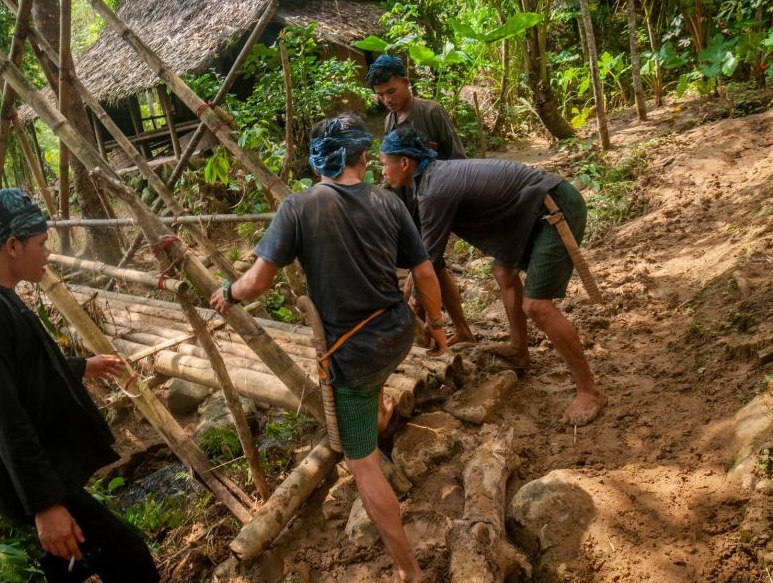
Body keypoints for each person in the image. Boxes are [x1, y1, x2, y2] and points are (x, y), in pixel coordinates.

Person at [210, 114, 448, 583]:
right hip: (397, 334)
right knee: (370, 390)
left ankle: (410, 572)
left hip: (352, 354)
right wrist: (436, 325)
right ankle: (377, 414)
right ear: (363, 156)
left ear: (317, 162)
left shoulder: (298, 208)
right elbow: (423, 274)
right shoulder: (390, 202)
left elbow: (257, 282)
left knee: (360, 462)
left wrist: (228, 292)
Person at [0, 188, 159, 582]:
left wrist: (81, 366)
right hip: (29, 479)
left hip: (36, 469)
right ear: (12, 245)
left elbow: (25, 368)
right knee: (130, 556)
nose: (47, 252)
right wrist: (45, 506)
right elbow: (3, 416)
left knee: (72, 561)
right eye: (41, 243)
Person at [379, 130, 608, 426]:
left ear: (406, 162)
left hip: (554, 209)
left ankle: (590, 391)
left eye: (385, 163)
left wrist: (414, 303)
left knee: (537, 306)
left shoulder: (435, 190)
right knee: (503, 270)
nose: (383, 171)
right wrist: (411, 292)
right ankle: (518, 349)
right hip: (531, 211)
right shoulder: (429, 181)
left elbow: (429, 263)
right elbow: (424, 257)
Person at [366, 55, 475, 344]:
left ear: (406, 82)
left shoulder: (431, 112)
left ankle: (426, 335)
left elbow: (458, 160)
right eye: (380, 95)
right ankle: (462, 330)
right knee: (434, 268)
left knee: (423, 268)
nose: (387, 99)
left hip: (436, 204)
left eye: (392, 91)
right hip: (408, 207)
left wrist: (455, 208)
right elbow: (392, 169)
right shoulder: (390, 120)